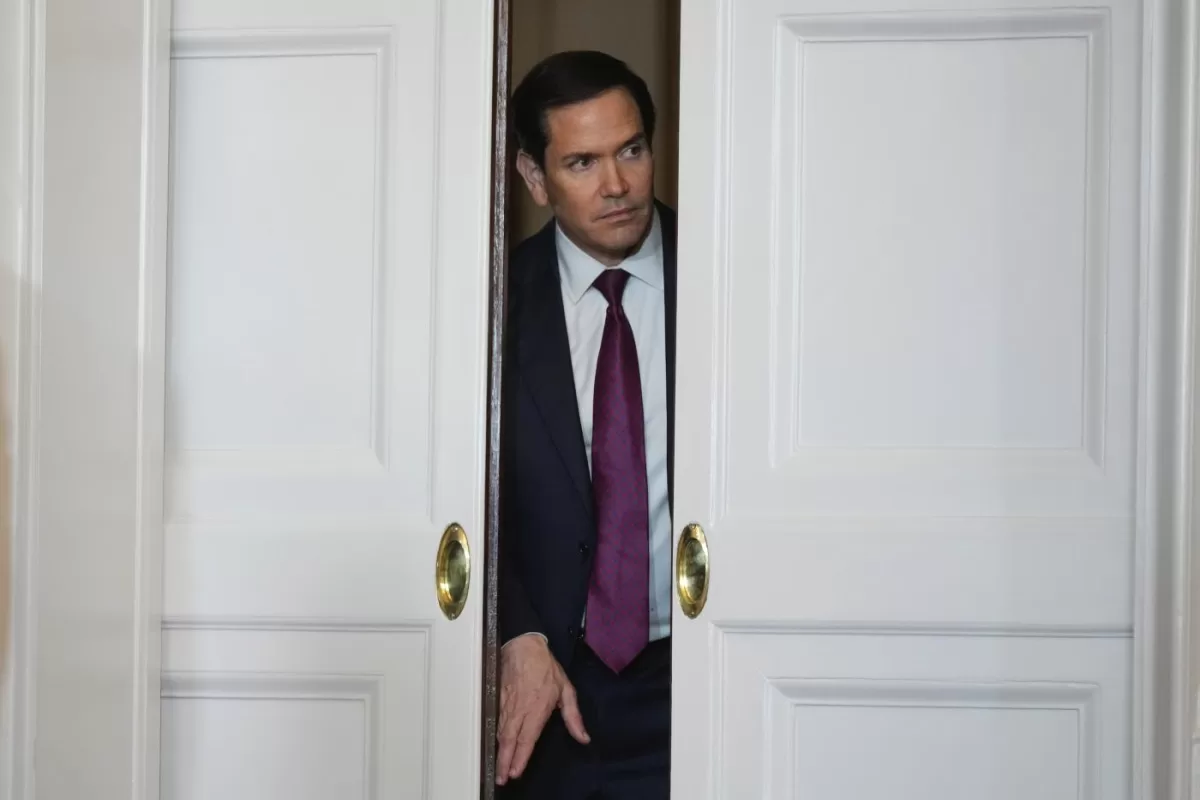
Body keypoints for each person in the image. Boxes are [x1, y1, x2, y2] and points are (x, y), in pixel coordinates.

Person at [496, 50, 676, 799]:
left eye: (631, 151)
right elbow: (456, 492)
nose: (616, 186)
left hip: (699, 671)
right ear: (534, 177)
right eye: (581, 163)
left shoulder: (734, 276)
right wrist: (514, 630)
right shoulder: (493, 302)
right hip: (547, 684)